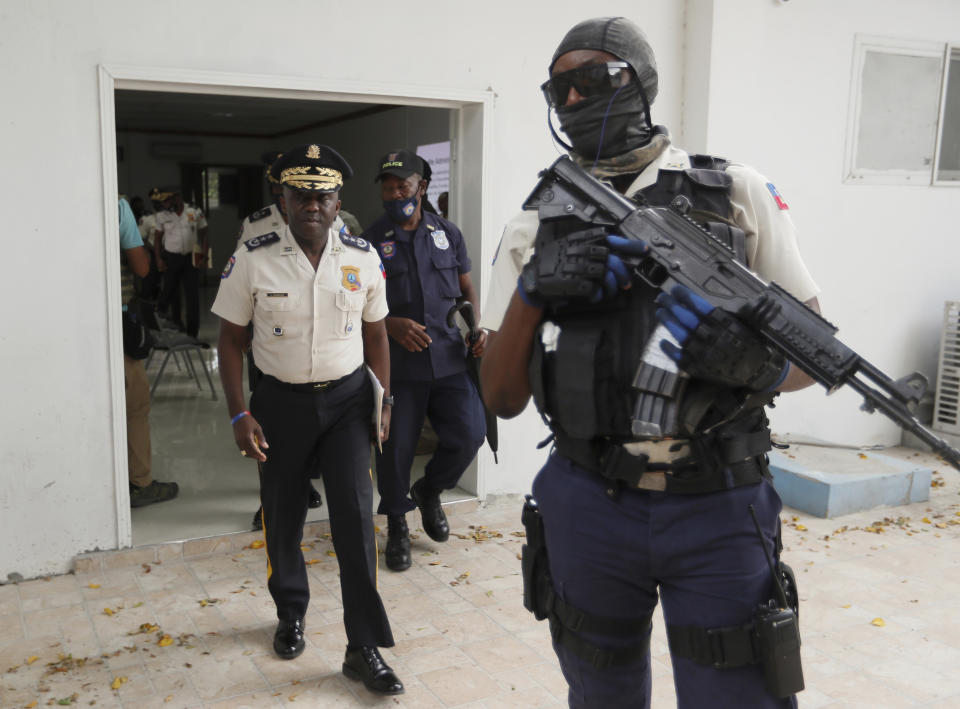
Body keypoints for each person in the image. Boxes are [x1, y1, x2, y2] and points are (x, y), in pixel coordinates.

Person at [479, 17, 819, 709]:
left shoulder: (736, 191)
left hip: (720, 502)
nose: (571, 101)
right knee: (599, 691)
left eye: (591, 79)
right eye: (558, 88)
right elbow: (500, 394)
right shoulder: (534, 222)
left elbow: (812, 354)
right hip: (588, 499)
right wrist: (530, 291)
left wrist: (756, 366)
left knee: (738, 692)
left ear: (641, 82)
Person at [212, 143, 403, 695]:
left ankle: (362, 646)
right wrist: (239, 412)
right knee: (283, 515)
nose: (312, 205)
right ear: (284, 199)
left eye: (323, 195)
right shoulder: (254, 255)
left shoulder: (362, 257)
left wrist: (384, 399)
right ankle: (290, 610)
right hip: (279, 404)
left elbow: (375, 333)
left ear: (339, 199)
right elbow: (230, 339)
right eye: (301, 195)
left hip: (346, 404)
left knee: (354, 519)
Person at [362, 149, 486, 572]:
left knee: (471, 433)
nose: (395, 193)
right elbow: (356, 304)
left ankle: (430, 490)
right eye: (388, 186)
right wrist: (391, 324)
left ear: (422, 186)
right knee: (394, 449)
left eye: (403, 185)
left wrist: (476, 328)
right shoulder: (368, 242)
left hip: (450, 357)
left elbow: (467, 288)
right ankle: (397, 523)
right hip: (396, 365)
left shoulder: (447, 233)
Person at [237, 152, 323, 530]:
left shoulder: (341, 223)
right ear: (277, 187)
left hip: (320, 339)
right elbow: (241, 282)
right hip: (270, 342)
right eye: (282, 183)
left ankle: (303, 483)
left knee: (315, 424)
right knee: (270, 428)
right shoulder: (255, 225)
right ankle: (269, 500)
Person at [119, 196, 179, 507]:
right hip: (115, 323)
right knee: (134, 406)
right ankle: (139, 482)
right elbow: (142, 268)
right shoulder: (116, 206)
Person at [154, 186, 208, 338]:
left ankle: (192, 334)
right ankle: (161, 321)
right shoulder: (161, 216)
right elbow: (157, 240)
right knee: (168, 292)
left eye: (166, 200)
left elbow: (204, 233)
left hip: (191, 258)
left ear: (176, 198)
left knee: (192, 297)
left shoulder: (194, 211)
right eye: (163, 201)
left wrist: (204, 254)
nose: (164, 204)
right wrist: (158, 259)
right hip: (171, 258)